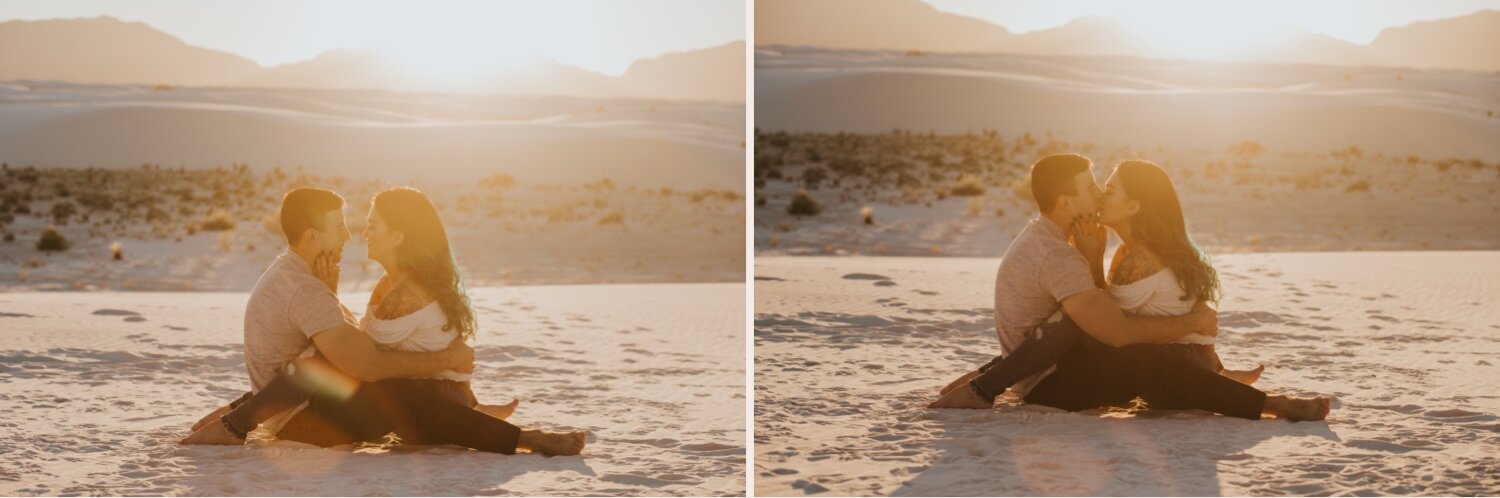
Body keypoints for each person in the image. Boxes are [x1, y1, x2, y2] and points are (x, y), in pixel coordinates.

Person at [180, 187, 585, 455]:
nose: (350, 235)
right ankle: (526, 439)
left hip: (308, 406)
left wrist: (238, 409)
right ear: (311, 236)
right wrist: (451, 358)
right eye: (338, 227)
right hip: (304, 422)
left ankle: (234, 425)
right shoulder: (306, 290)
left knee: (381, 385)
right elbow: (362, 364)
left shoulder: (299, 278)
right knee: (393, 394)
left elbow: (337, 355)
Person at [928, 154, 1330, 422]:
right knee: (1136, 354)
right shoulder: (1059, 256)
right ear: (1067, 202)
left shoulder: (1048, 240)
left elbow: (1089, 327)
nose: (1099, 194)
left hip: (1055, 368)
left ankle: (982, 388)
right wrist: (984, 379)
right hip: (1051, 383)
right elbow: (1112, 331)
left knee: (1114, 342)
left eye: (1105, 188)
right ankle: (1273, 405)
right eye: (1090, 189)